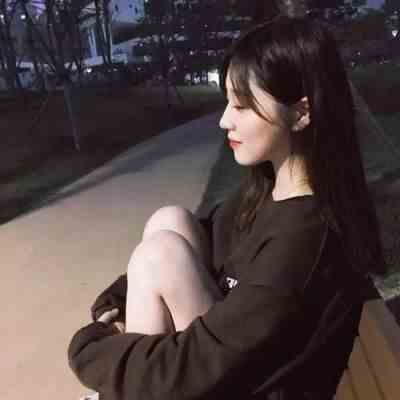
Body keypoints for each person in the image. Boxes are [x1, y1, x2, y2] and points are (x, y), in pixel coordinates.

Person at [68, 15, 387, 400]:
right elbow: (208, 232)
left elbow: (188, 365)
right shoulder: (270, 190)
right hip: (227, 367)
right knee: (170, 221)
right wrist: (117, 302)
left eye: (242, 106)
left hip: (248, 387)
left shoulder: (304, 239)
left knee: (160, 255)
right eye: (227, 103)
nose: (224, 121)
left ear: (301, 113)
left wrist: (90, 345)